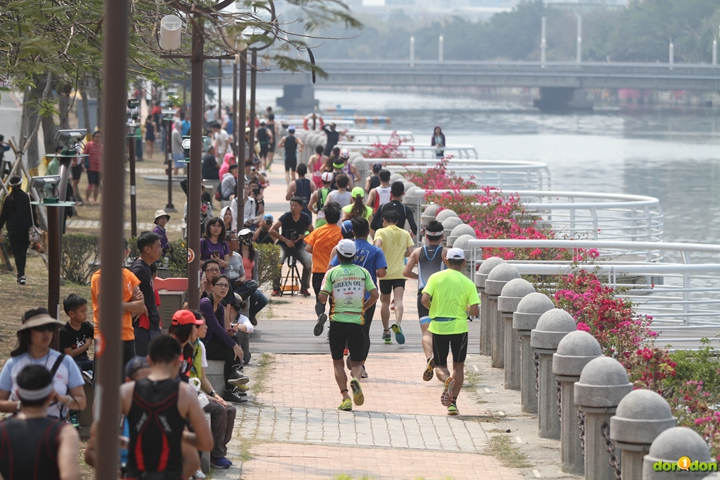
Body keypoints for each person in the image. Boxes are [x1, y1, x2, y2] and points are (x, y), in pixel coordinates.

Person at [120, 335, 214, 478]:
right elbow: (206, 443)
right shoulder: (185, 393)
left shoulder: (127, 391)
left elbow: (101, 437)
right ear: (178, 361)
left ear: (149, 360)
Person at [318, 239, 379, 412]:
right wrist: (364, 309)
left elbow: (322, 298)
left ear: (338, 254)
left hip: (337, 322)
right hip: (357, 321)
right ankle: (357, 380)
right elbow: (375, 294)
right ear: (353, 255)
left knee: (337, 362)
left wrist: (326, 294)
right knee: (357, 362)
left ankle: (345, 397)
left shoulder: (331, 273)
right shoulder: (363, 272)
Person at [421, 248, 480, 416]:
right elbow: (475, 311)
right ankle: (453, 404)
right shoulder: (468, 282)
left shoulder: (435, 277)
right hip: (459, 327)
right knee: (459, 365)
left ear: (446, 261)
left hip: (439, 326)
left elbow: (424, 299)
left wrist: (435, 309)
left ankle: (446, 379)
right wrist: (467, 308)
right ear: (463, 262)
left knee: (440, 365)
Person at [0, 308, 86, 418]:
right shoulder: (13, 363)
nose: (46, 333)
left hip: (54, 431)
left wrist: (61, 398)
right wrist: (26, 405)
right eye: (40, 328)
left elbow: (81, 403)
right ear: (27, 332)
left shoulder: (66, 362)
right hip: (23, 430)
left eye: (50, 328)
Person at [328, 217, 387, 377]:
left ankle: (348, 353)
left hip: (343, 296)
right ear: (369, 232)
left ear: (352, 232)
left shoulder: (346, 248)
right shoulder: (376, 250)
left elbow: (332, 267)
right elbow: (382, 273)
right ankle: (360, 365)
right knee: (364, 332)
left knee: (344, 326)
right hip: (367, 297)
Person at [0, 364, 81, 480]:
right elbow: (70, 476)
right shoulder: (64, 432)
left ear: (17, 394)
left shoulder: (2, 430)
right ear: (51, 396)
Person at [189, 312, 238, 469]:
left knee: (229, 408)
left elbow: (202, 378)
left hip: (197, 391)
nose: (207, 326)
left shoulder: (200, 346)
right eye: (203, 324)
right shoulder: (180, 347)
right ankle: (216, 455)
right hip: (187, 394)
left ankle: (219, 450)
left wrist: (215, 394)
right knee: (218, 409)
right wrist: (209, 398)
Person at [91, 238, 146, 369]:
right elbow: (107, 310)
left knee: (127, 381)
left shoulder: (129, 275)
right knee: (105, 383)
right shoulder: (99, 277)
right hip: (106, 336)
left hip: (128, 336)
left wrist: (117, 304)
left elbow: (141, 306)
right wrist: (130, 304)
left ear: (126, 252)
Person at [403, 220, 447, 380]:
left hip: (423, 293)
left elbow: (406, 272)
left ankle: (429, 358)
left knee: (426, 332)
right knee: (441, 331)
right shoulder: (445, 253)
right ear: (442, 236)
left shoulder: (417, 252)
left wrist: (419, 279)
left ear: (426, 236)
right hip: (440, 295)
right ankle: (441, 363)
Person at [199, 275, 250, 403]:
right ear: (212, 287)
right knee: (231, 350)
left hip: (213, 341)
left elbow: (221, 329)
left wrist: (230, 333)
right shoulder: (205, 303)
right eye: (220, 285)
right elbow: (216, 328)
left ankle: (233, 378)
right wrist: (234, 346)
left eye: (226, 285)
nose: (223, 288)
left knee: (235, 340)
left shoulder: (221, 306)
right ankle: (230, 386)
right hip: (203, 344)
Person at [374, 209, 414, 345]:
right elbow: (410, 252)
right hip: (400, 272)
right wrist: (401, 254)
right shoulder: (405, 233)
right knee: (398, 301)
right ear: (397, 221)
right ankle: (397, 323)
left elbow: (377, 246)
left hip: (385, 272)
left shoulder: (380, 232)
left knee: (385, 302)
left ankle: (386, 331)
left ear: (384, 220)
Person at [304, 202, 343, 332]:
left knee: (320, 299)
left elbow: (308, 248)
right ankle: (332, 329)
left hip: (319, 272)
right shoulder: (341, 232)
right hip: (336, 272)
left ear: (325, 217)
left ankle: (321, 314)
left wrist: (318, 253)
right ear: (338, 217)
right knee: (334, 302)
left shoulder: (317, 232)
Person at [269, 196, 314, 297]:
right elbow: (271, 230)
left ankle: (304, 287)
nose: (293, 208)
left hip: (299, 246)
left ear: (301, 207)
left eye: (295, 206)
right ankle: (276, 288)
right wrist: (285, 240)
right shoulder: (286, 216)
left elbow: (313, 232)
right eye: (291, 205)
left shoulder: (305, 217)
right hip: (283, 245)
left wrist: (301, 237)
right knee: (278, 262)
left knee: (308, 263)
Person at [131, 231, 164, 357]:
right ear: (147, 249)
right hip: (143, 328)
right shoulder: (139, 269)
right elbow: (126, 290)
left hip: (152, 326)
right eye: (158, 246)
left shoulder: (147, 267)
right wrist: (139, 305)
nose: (161, 250)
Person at [0, 175, 35, 285]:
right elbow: (34, 214)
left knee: (17, 253)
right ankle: (21, 274)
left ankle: (21, 275)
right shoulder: (28, 197)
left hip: (13, 230)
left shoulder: (8, 198)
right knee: (22, 252)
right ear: (21, 184)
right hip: (26, 230)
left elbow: (3, 216)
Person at [238, 229, 268, 325]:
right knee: (255, 295)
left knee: (264, 300)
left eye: (250, 236)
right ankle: (247, 317)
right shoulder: (236, 253)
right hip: (241, 283)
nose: (248, 239)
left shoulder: (254, 252)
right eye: (246, 236)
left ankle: (250, 315)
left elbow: (255, 269)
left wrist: (256, 282)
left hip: (252, 283)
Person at [59, 294, 94, 374]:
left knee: (100, 366)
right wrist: (87, 344)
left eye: (86, 310)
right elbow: (70, 353)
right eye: (82, 311)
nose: (86, 314)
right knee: (75, 371)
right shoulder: (64, 331)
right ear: (71, 314)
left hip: (85, 359)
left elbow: (98, 336)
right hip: (71, 362)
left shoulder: (87, 326)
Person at [83, 131, 103, 205]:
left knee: (97, 185)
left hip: (100, 169)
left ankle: (95, 200)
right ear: (93, 137)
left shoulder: (102, 147)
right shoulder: (89, 145)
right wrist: (83, 165)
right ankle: (87, 200)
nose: (98, 138)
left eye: (99, 136)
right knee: (90, 184)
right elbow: (84, 155)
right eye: (96, 136)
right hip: (91, 168)